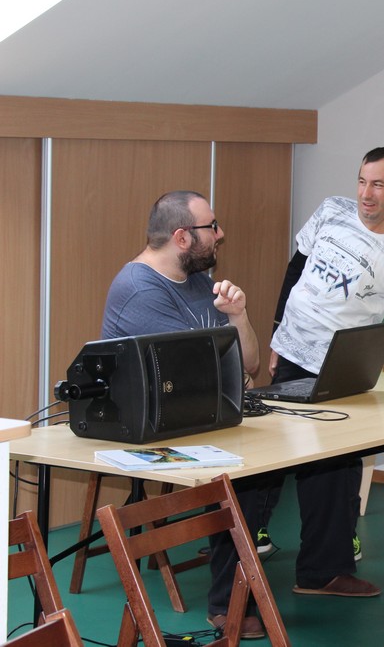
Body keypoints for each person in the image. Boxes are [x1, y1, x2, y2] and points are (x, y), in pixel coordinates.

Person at [248, 146, 384, 601]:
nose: (366, 193)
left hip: (339, 371)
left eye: (378, 184)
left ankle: (322, 570)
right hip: (292, 351)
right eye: (362, 181)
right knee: (270, 454)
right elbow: (295, 269)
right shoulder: (331, 211)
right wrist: (276, 333)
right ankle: (241, 540)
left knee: (334, 467)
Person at [101, 190, 266, 638]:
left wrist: (238, 316)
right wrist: (235, 376)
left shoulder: (196, 283)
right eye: (212, 227)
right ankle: (228, 602)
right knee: (247, 474)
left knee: (283, 463)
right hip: (153, 426)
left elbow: (251, 365)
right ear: (182, 237)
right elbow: (201, 375)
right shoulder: (139, 288)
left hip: (197, 414)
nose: (220, 234)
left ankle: (255, 564)